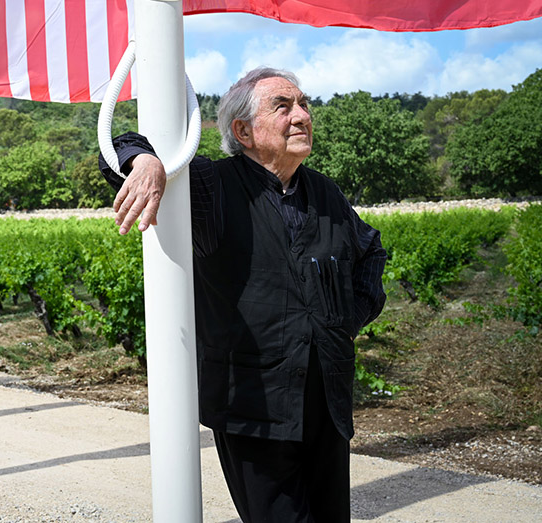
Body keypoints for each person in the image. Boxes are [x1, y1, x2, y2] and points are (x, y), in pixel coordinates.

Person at [99, 67, 387, 523]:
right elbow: (118, 143)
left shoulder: (324, 192)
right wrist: (146, 162)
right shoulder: (212, 186)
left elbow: (371, 252)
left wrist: (342, 322)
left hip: (327, 401)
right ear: (243, 131)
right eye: (283, 106)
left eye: (304, 104)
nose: (302, 116)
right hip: (253, 405)